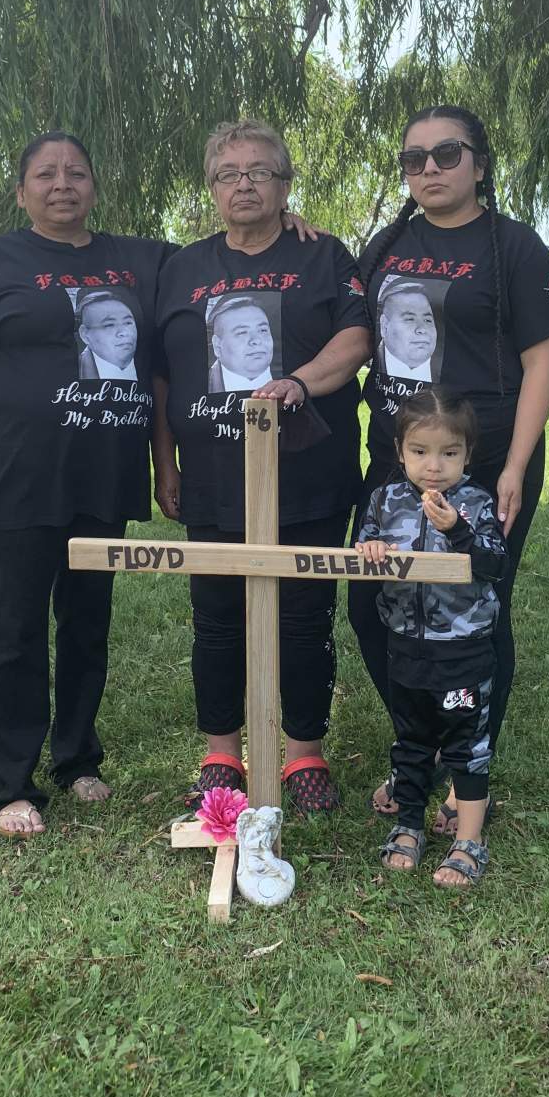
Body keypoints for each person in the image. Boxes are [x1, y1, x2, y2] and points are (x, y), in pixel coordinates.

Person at [0, 131, 173, 837]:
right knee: (17, 629)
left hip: (104, 471)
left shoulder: (140, 260)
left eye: (76, 172)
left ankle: (77, 758)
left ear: (94, 186)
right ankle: (13, 784)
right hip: (16, 472)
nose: (62, 184)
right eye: (45, 174)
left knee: (88, 622)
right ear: (21, 191)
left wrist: (287, 220)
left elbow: (227, 257)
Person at [350, 104, 549, 832]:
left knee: (476, 609)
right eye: (413, 159)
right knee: (372, 600)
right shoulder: (386, 244)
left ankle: (465, 771)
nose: (429, 169)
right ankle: (418, 747)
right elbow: (348, 322)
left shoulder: (513, 245)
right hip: (396, 464)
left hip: (483, 465)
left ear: (479, 164)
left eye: (446, 154)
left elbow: (542, 361)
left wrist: (514, 465)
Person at [154, 119, 371, 814]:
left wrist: (299, 381)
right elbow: (161, 373)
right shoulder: (181, 268)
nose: (243, 184)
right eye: (229, 173)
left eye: (259, 172)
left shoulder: (324, 255)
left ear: (285, 185)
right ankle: (221, 752)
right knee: (216, 618)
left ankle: (304, 752)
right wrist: (165, 462)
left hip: (310, 476)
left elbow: (358, 337)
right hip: (213, 478)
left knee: (305, 619)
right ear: (211, 187)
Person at [356, 390, 508, 887]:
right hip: (405, 645)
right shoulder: (384, 500)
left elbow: (494, 564)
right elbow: (363, 546)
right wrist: (370, 549)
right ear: (400, 451)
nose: (434, 466)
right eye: (420, 451)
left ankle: (469, 840)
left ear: (467, 454)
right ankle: (409, 826)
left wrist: (458, 530)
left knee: (467, 744)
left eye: (449, 453)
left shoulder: (477, 503)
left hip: (463, 651)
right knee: (412, 741)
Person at [206, 294, 276, 390]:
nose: (256, 340)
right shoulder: (198, 386)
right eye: (242, 332)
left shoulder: (293, 376)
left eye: (263, 330)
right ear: (217, 346)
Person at [376, 277, 439, 380]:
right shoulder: (374, 361)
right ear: (384, 326)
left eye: (428, 320)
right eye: (410, 319)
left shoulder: (452, 369)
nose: (422, 329)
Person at [76, 287, 139, 381]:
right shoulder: (70, 370)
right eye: (109, 325)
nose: (124, 332)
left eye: (128, 323)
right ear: (85, 335)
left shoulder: (149, 363)